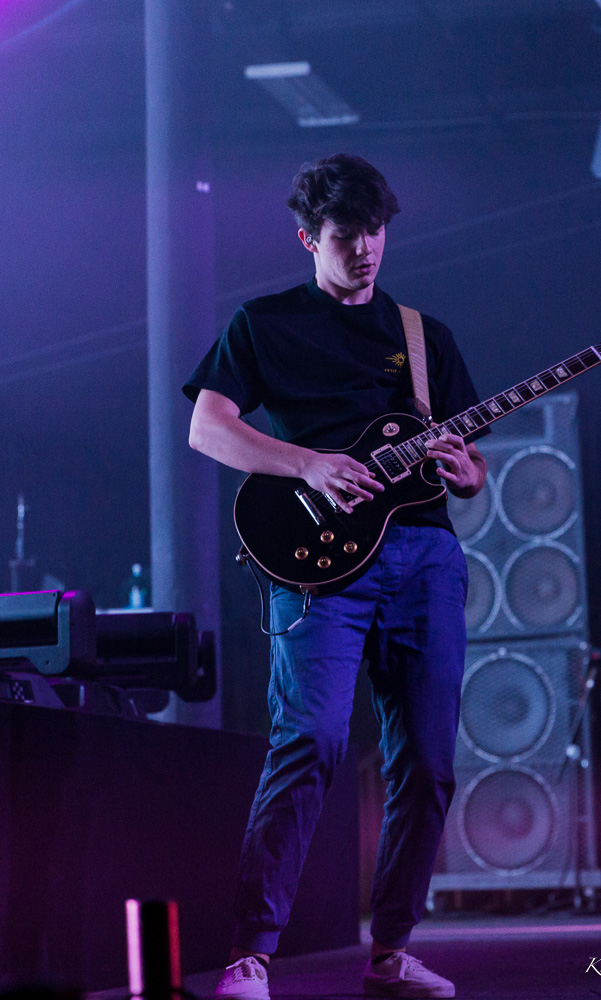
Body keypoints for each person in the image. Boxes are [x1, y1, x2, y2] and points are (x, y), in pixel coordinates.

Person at [184, 154, 489, 999]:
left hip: (424, 557)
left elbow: (470, 467)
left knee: (427, 762)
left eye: (376, 232)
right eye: (345, 235)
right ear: (307, 239)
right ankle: (251, 954)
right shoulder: (265, 324)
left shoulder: (425, 339)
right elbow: (209, 431)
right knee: (311, 741)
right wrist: (308, 466)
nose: (364, 251)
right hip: (319, 571)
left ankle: (391, 953)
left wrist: (468, 473)